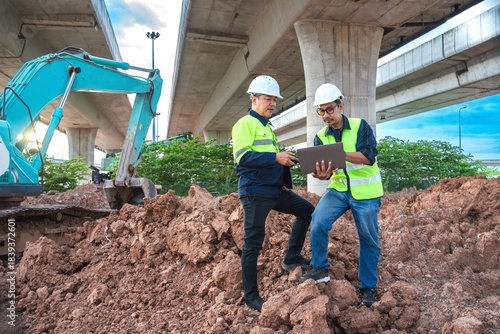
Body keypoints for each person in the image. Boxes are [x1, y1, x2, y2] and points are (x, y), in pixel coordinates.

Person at [232, 75, 315, 312]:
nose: (272, 103)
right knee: (253, 244)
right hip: (255, 193)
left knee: (307, 211)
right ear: (254, 99)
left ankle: (291, 257)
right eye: (268, 99)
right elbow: (242, 159)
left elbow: (271, 161)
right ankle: (251, 297)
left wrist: (284, 171)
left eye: (274, 100)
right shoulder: (244, 124)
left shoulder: (267, 127)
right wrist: (276, 157)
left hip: (274, 190)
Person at [299, 83, 384, 307]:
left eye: (329, 109)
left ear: (340, 105)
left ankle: (368, 287)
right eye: (321, 111)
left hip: (365, 192)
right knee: (318, 220)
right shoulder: (319, 136)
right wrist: (322, 175)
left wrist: (341, 154)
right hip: (338, 190)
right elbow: (324, 175)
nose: (326, 115)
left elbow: (368, 156)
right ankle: (320, 268)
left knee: (368, 239)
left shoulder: (360, 126)